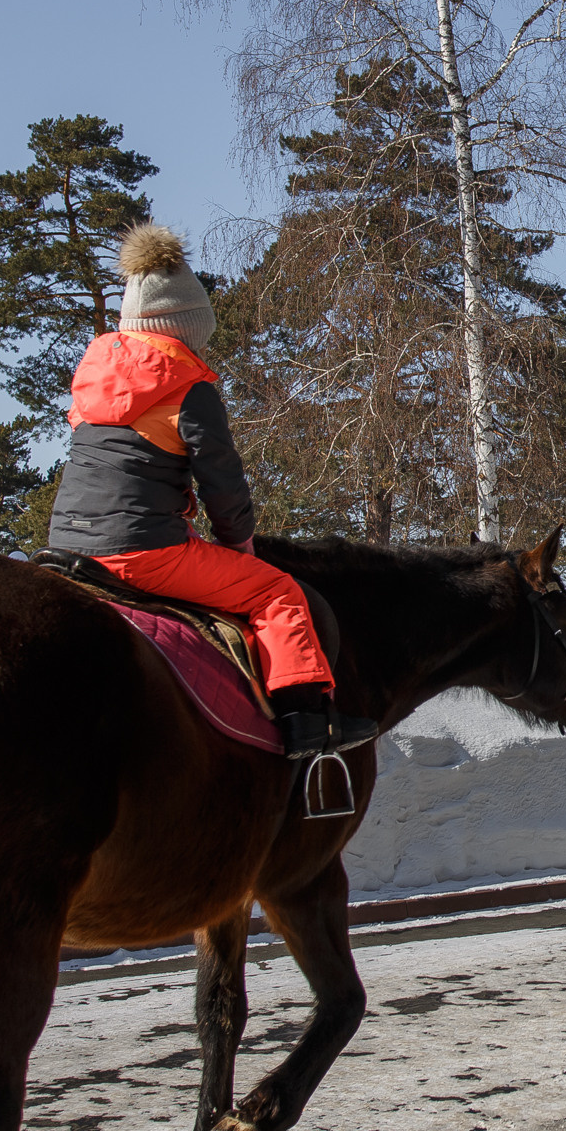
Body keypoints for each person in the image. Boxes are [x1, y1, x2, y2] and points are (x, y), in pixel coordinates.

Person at [46, 224, 377, 760]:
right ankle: (306, 723)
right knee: (276, 593)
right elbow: (222, 481)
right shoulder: (187, 387)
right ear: (187, 328)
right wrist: (239, 544)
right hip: (142, 550)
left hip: (67, 544)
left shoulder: (93, 379)